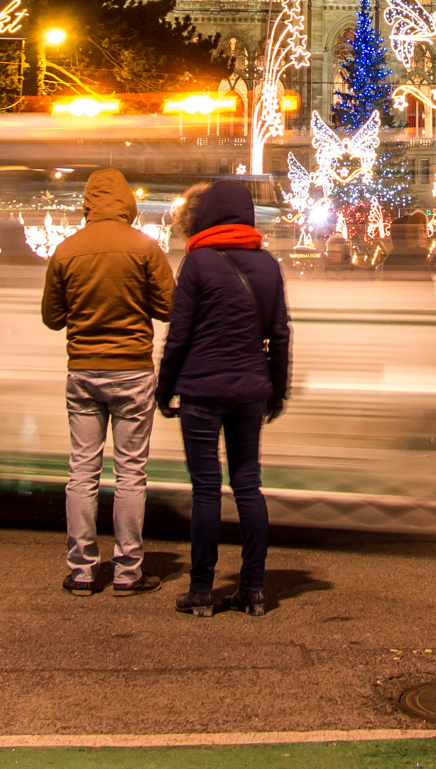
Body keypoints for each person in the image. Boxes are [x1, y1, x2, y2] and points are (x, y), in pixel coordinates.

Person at [157, 179, 291, 617]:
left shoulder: (197, 264)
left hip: (200, 389)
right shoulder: (269, 266)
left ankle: (201, 590)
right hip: (251, 389)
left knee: (206, 490)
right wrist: (276, 392)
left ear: (208, 215)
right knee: (248, 485)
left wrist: (165, 387)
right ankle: (252, 588)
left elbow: (179, 335)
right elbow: (279, 335)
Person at [42, 167, 175, 596]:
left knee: (82, 471)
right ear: (127, 204)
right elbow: (169, 307)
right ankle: (127, 571)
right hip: (133, 370)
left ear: (87, 202)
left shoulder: (66, 250)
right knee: (130, 472)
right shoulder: (145, 247)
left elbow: (52, 317)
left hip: (82, 369)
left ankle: (81, 570)